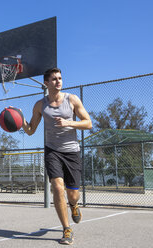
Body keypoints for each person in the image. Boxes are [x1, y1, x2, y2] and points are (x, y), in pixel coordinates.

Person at [22, 68, 92, 245]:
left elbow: (88, 123)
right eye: (54, 79)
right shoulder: (40, 105)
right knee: (58, 187)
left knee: (73, 195)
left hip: (72, 151)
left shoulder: (72, 99)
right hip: (52, 151)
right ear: (46, 83)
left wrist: (69, 122)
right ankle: (67, 229)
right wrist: (19, 120)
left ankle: (74, 206)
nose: (58, 81)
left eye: (60, 78)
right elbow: (30, 130)